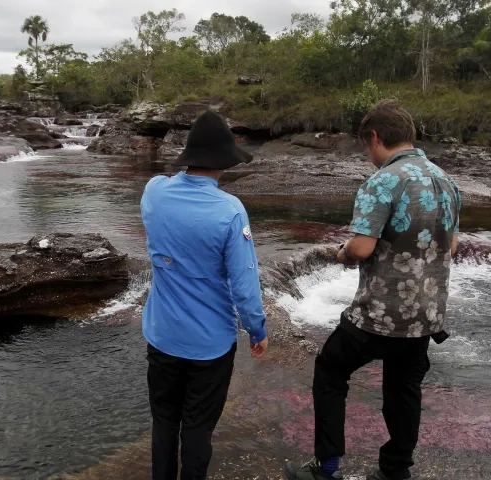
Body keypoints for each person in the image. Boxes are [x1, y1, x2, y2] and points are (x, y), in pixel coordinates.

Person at [284, 100, 461, 480]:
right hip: (424, 317)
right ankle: (395, 471)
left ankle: (326, 468)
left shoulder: (382, 181)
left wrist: (342, 254)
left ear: (375, 138)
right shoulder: (446, 181)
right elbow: (453, 246)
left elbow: (361, 248)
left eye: (367, 146)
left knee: (330, 372)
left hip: (377, 315)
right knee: (403, 390)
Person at [141, 111, 269, 480]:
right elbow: (244, 283)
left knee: (164, 421)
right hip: (210, 344)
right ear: (224, 161)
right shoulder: (230, 210)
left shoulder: (153, 193)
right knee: (197, 427)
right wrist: (256, 330)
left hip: (162, 335)